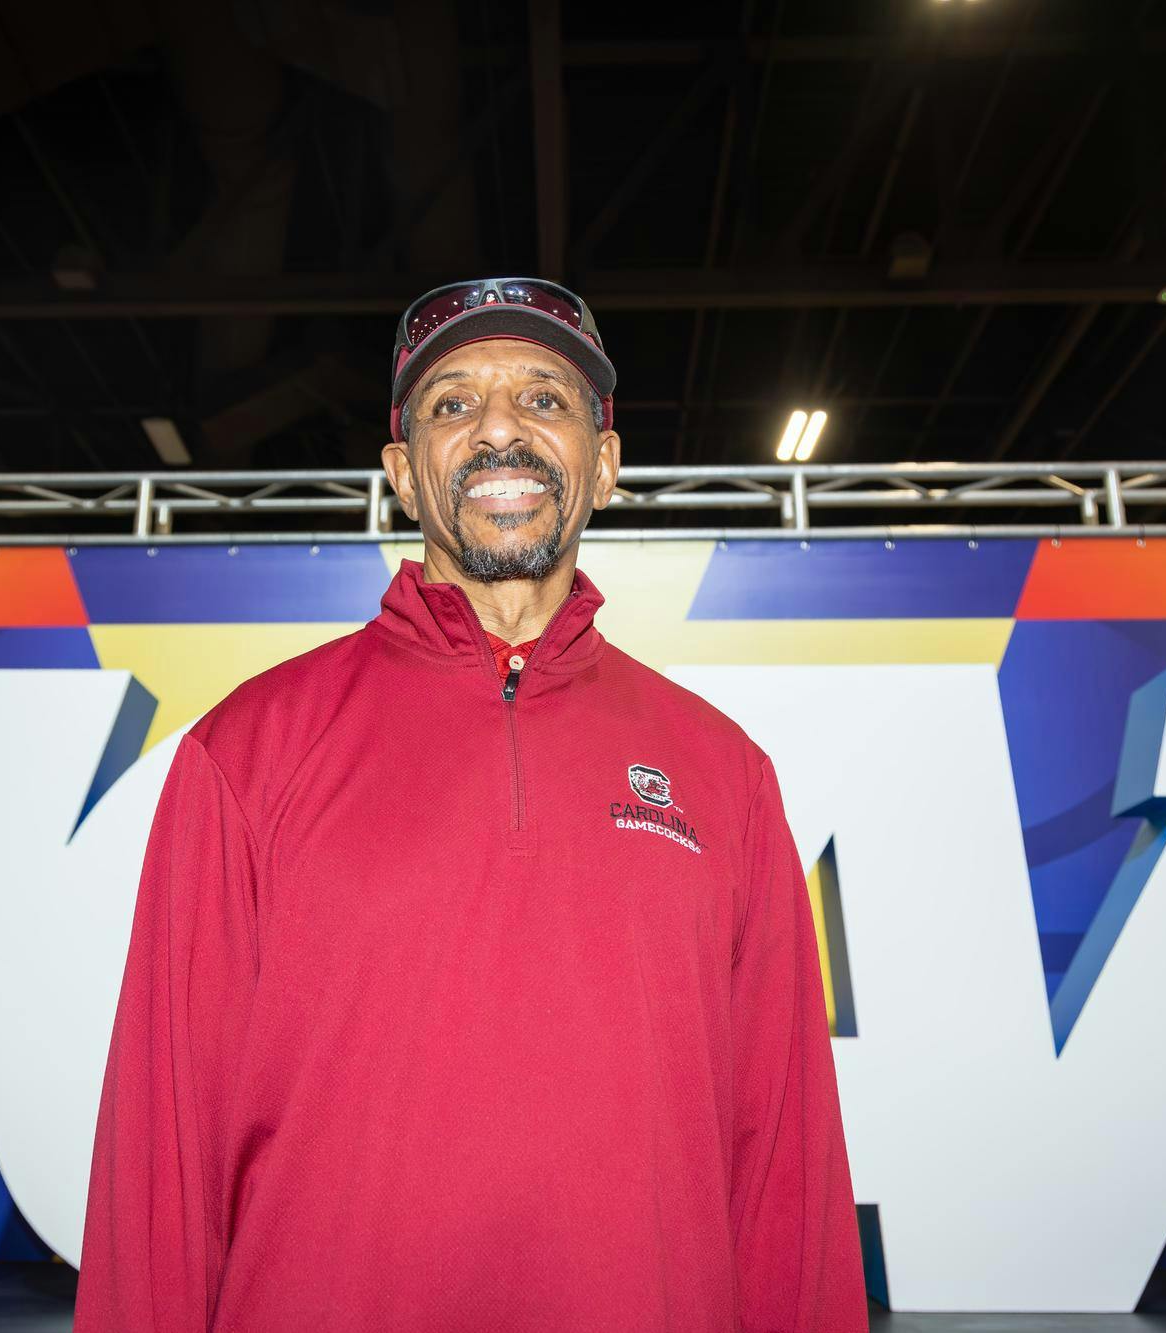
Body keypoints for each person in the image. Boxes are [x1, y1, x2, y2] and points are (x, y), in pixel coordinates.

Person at [75, 278, 867, 1331]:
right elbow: (160, 1160)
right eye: (452, 404)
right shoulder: (244, 753)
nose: (499, 428)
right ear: (403, 472)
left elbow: (786, 1170)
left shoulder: (726, 776)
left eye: (544, 398)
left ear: (604, 462)